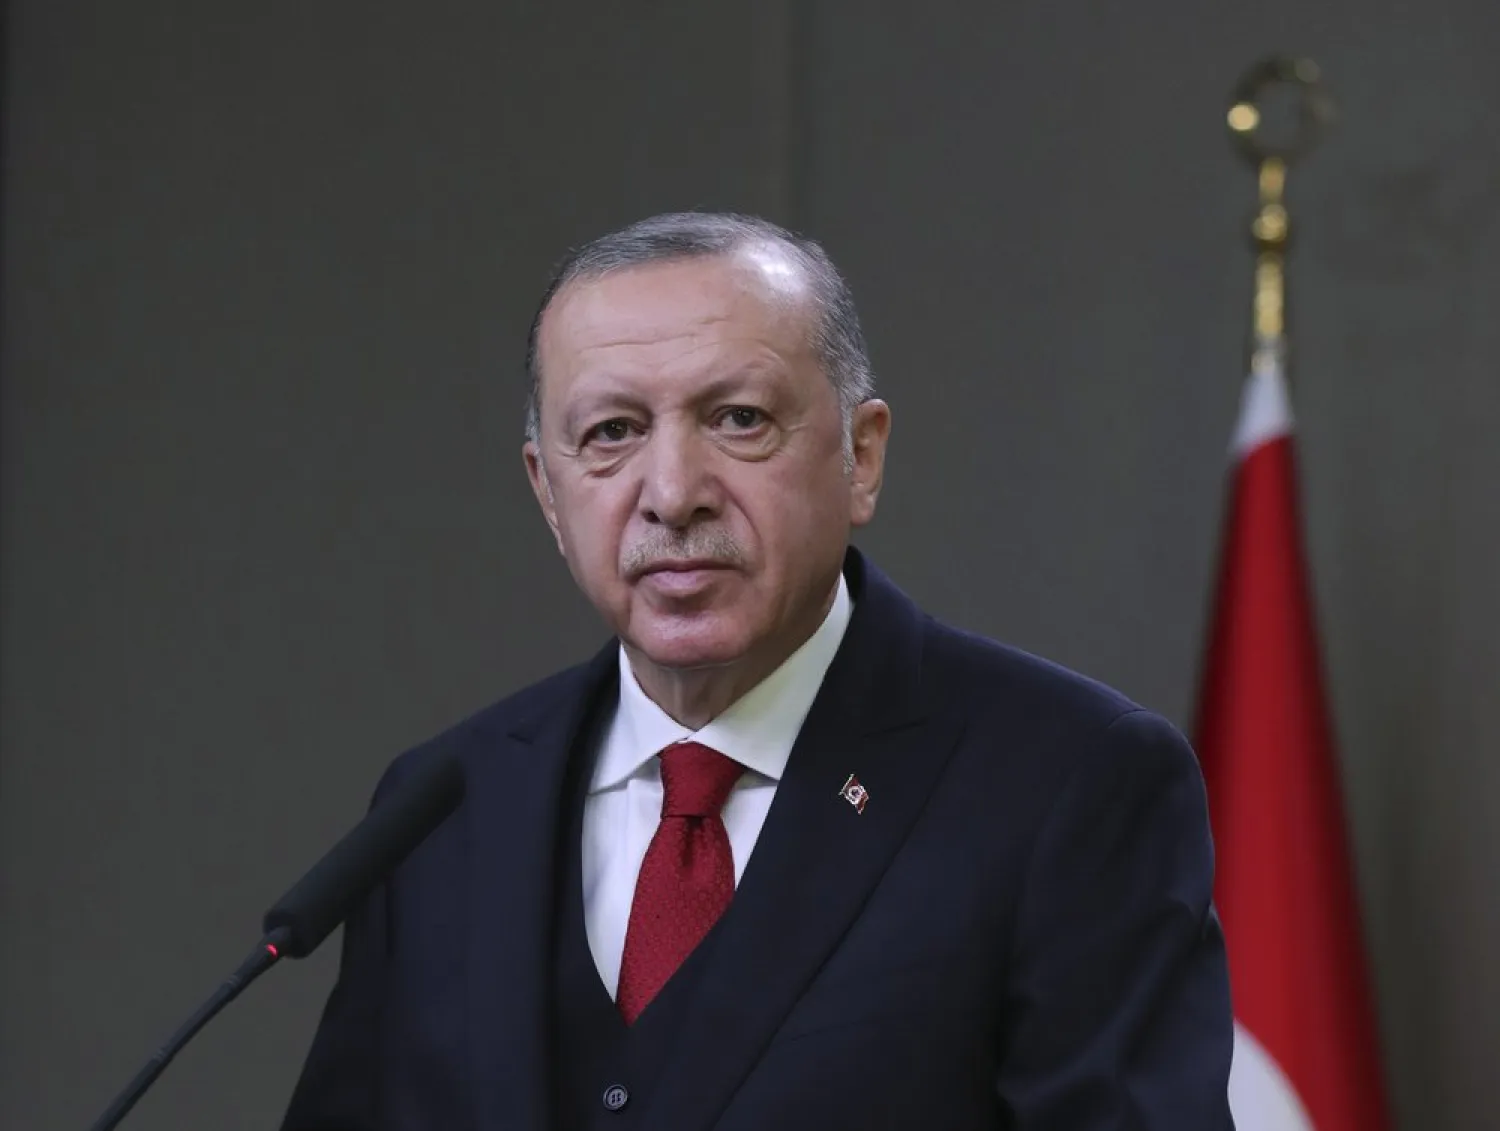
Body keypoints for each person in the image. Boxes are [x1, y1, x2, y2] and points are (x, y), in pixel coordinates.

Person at [280, 212, 1234, 1130]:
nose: (672, 494)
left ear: (862, 457)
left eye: (738, 418)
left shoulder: (1070, 783)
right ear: (548, 492)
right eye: (611, 431)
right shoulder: (443, 808)